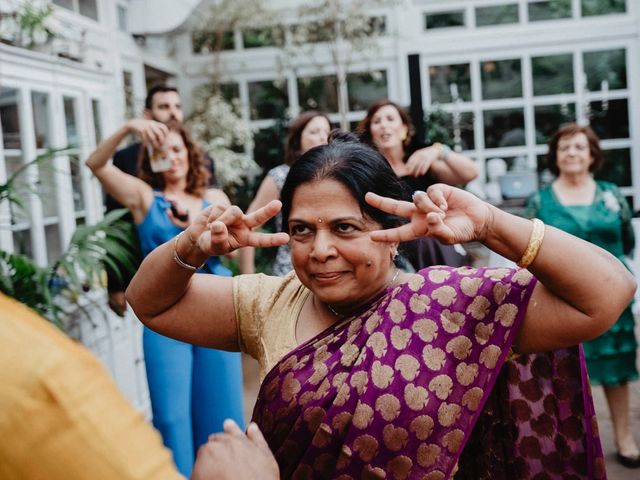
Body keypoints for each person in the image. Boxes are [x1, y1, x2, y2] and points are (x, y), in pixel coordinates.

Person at [125, 131, 635, 478]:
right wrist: (188, 247)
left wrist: (492, 224)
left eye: (344, 228)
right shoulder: (270, 302)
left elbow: (608, 291)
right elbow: (150, 303)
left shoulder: (453, 305)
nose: (320, 249)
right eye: (302, 231)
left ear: (392, 236)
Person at [86, 122, 244, 477]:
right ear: (151, 160)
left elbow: (234, 249)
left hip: (215, 307)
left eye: (177, 150)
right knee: (171, 416)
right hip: (164, 312)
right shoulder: (144, 197)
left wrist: (197, 225)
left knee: (222, 408)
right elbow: (95, 163)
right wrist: (128, 127)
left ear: (191, 155)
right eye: (162, 152)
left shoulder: (214, 199)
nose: (171, 158)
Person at [0, 292, 278, 480]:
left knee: (220, 419)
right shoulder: (40, 371)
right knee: (173, 421)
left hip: (212, 308)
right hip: (165, 319)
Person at [524, 123, 639, 469]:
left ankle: (624, 436)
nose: (571, 153)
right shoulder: (539, 201)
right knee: (563, 374)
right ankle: (572, 447)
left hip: (613, 302)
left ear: (592, 155)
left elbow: (628, 241)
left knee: (617, 371)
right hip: (561, 302)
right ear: (555, 157)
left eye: (578, 147)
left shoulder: (611, 194)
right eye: (564, 148)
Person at [105, 84, 216, 315]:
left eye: (177, 106)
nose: (173, 112)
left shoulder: (200, 159)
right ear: (148, 115)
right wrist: (116, 282)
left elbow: (213, 209)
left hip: (205, 272)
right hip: (150, 270)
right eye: (164, 107)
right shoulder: (127, 158)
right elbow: (115, 223)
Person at [357, 99, 479, 271]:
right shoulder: (370, 172)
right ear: (371, 132)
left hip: (434, 242)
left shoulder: (421, 161)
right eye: (377, 121)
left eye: (390, 119)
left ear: (404, 129)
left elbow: (471, 173)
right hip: (395, 251)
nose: (384, 125)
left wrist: (438, 150)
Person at [239, 111, 331, 276]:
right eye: (314, 132)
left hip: (332, 267)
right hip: (289, 274)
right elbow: (249, 226)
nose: (322, 137)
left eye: (326, 131)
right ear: (298, 140)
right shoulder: (280, 176)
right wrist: (248, 279)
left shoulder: (339, 176)